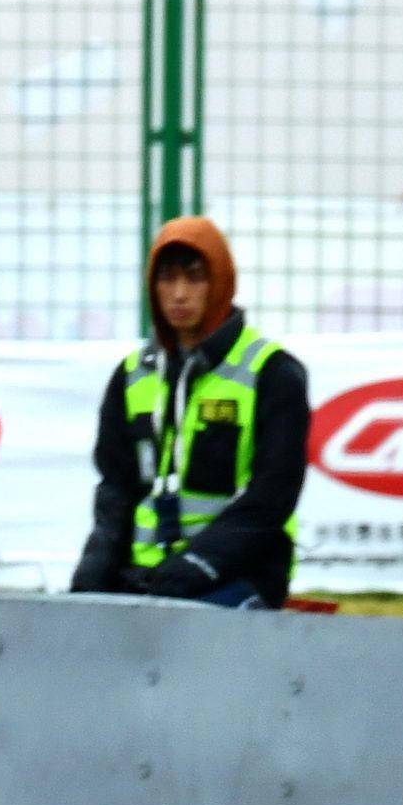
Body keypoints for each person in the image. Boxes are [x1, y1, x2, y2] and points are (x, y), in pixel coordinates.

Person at [71, 216, 309, 612]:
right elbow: (116, 488)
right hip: (148, 574)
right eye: (167, 279)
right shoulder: (131, 375)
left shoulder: (272, 373)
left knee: (186, 638)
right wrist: (93, 571)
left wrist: (199, 563)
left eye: (195, 278)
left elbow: (272, 496)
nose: (179, 294)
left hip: (240, 572)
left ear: (221, 283)